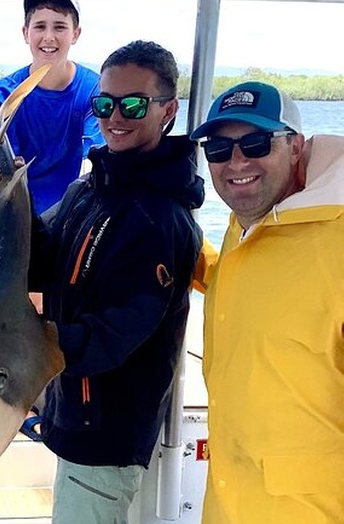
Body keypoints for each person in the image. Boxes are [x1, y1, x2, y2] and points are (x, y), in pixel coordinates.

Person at [0, 40, 204, 523]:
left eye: (133, 104)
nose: (114, 116)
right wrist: (7, 198)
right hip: (73, 414)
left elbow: (116, 333)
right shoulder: (91, 187)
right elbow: (39, 262)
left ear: (168, 111)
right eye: (103, 103)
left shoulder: (160, 219)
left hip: (107, 433)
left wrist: (26, 345)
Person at [190, 82, 344, 524]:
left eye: (256, 143)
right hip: (227, 505)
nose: (237, 162)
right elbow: (260, 289)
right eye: (218, 149)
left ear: (295, 146)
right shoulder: (248, 224)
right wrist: (179, 246)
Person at [0, 0, 103, 214]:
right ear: (25, 33)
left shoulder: (96, 90)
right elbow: (5, 169)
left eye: (59, 27)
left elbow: (93, 158)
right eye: (40, 26)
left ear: (75, 34)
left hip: (72, 210)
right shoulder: (5, 94)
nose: (49, 37)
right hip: (16, 211)